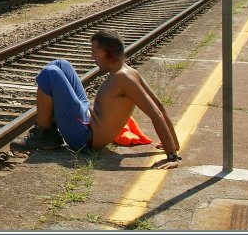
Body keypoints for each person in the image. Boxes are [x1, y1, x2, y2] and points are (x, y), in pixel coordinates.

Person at [16, 29, 182, 170]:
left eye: (95, 52)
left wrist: (171, 155)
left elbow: (155, 112)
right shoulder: (129, 72)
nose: (91, 57)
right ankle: (48, 130)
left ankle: (44, 135)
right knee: (61, 64)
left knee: (50, 73)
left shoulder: (123, 79)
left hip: (84, 137)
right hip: (87, 118)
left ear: (108, 54)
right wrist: (173, 142)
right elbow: (159, 106)